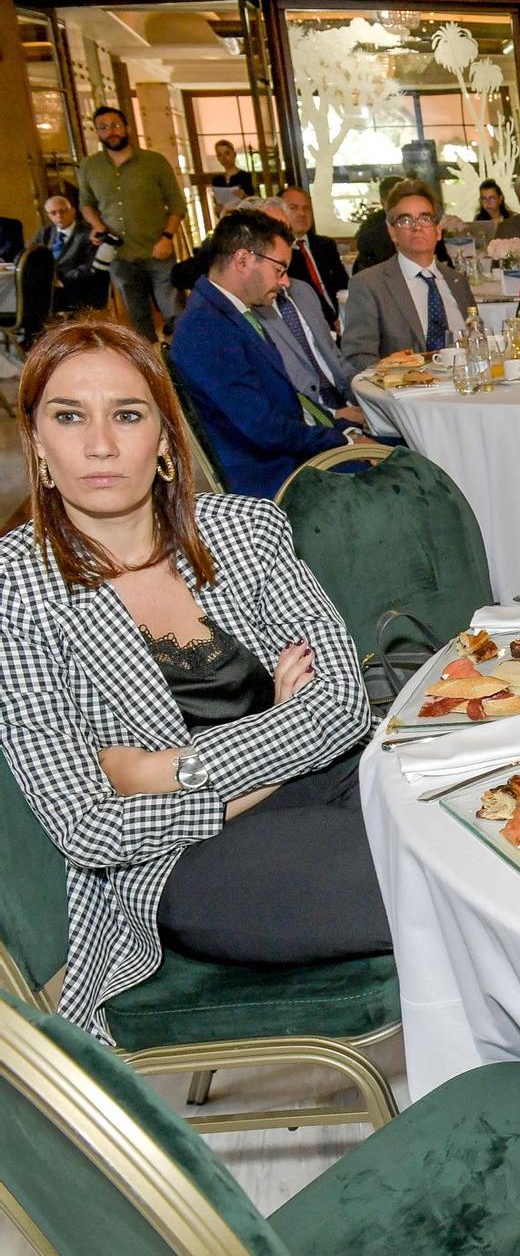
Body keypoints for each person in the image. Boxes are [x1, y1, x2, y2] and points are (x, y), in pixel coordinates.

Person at [0, 316, 386, 1041]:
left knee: (484, 834)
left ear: (166, 439)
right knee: (436, 882)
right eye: (68, 416)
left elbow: (340, 708)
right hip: (182, 860)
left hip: (332, 778)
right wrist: (267, 748)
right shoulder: (16, 591)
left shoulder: (247, 530)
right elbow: (85, 827)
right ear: (40, 447)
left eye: (127, 413)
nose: (100, 443)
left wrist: (161, 768)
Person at [171, 209, 371, 497]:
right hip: (269, 476)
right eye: (279, 269)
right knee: (397, 474)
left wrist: (341, 430)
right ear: (243, 259)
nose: (284, 282)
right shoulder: (207, 328)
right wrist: (342, 441)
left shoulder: (229, 313)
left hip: (281, 456)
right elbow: (262, 428)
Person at [340, 180, 476, 373]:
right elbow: (357, 357)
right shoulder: (369, 285)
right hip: (403, 397)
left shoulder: (458, 282)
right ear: (392, 232)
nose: (416, 227)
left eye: (425, 218)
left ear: (438, 230)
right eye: (405, 220)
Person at [76, 106, 187, 342]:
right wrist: (97, 225)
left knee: (176, 313)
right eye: (103, 128)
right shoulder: (89, 167)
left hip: (158, 250)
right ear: (97, 132)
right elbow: (86, 203)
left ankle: (187, 366)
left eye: (115, 125)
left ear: (126, 128)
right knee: (137, 320)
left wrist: (167, 237)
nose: (110, 132)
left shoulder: (154, 162)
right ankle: (151, 370)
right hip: (119, 255)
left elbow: (177, 205)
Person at [248, 197, 360, 416]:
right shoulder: (248, 310)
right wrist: (336, 417)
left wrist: (368, 398)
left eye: (287, 232)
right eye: (273, 233)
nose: (284, 241)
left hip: (347, 403)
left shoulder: (302, 291)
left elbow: (336, 359)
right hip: (317, 421)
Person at [279, 185, 347, 331]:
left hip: (343, 320)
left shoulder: (325, 245)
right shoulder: (281, 252)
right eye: (294, 208)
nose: (302, 214)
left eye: (306, 208)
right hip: (311, 326)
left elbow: (344, 286)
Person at [34, 192, 108, 313]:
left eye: (63, 211)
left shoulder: (89, 233)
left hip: (77, 287)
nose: (59, 216)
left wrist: (62, 281)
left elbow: (91, 265)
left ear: (73, 211)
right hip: (48, 287)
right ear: (48, 215)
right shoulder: (45, 233)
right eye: (53, 213)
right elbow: (28, 255)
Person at [347, 175, 403, 275]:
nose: (400, 206)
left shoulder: (424, 226)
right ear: (383, 203)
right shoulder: (370, 235)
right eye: (393, 201)